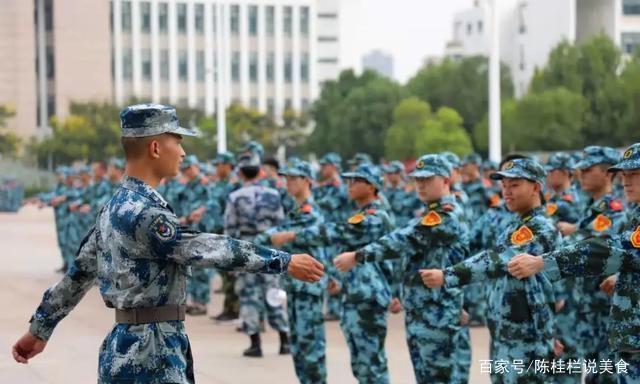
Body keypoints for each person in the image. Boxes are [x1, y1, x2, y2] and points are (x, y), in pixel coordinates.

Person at [11, 104, 324, 383]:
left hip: (123, 349)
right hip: (153, 354)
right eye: (179, 141)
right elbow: (204, 246)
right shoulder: (146, 213)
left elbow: (77, 276)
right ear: (156, 147)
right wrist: (282, 261)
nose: (184, 152)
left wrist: (39, 329)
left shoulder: (114, 208)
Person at [420, 157, 562, 384]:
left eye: (514, 185)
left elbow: (496, 259)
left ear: (536, 187)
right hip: (506, 334)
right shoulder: (515, 225)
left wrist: (447, 276)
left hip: (526, 338)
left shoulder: (539, 228)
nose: (507, 192)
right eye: (504, 186)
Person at [508, 142, 640, 384]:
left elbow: (608, 250)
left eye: (634, 175)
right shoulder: (633, 214)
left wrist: (542, 262)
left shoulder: (621, 212)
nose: (626, 181)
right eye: (624, 174)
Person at [333, 154, 470, 383]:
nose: (421, 185)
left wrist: (359, 255)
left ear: (446, 180)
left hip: (437, 312)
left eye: (427, 179)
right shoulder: (429, 213)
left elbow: (403, 240)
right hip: (423, 310)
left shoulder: (446, 214)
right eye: (417, 180)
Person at [272, 163, 396, 384]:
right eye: (348, 180)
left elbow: (337, 231)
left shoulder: (375, 215)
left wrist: (292, 235)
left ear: (371, 186)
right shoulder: (361, 213)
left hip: (369, 296)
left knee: (372, 366)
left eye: (356, 181)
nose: (349, 185)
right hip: (358, 294)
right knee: (362, 365)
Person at [256, 161, 328, 383]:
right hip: (297, 286)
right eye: (286, 178)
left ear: (307, 180)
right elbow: (273, 235)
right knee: (299, 348)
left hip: (309, 287)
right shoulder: (296, 209)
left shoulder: (310, 211)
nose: (288, 183)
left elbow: (293, 233)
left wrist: (279, 236)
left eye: (294, 178)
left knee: (311, 350)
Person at [225, 152, 291, 357]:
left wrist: (231, 261)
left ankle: (255, 343)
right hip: (270, 248)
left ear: (242, 173)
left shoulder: (234, 197)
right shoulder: (273, 195)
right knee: (273, 293)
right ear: (259, 171)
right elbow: (281, 224)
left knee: (248, 296)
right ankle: (284, 340)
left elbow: (230, 230)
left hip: (247, 249)